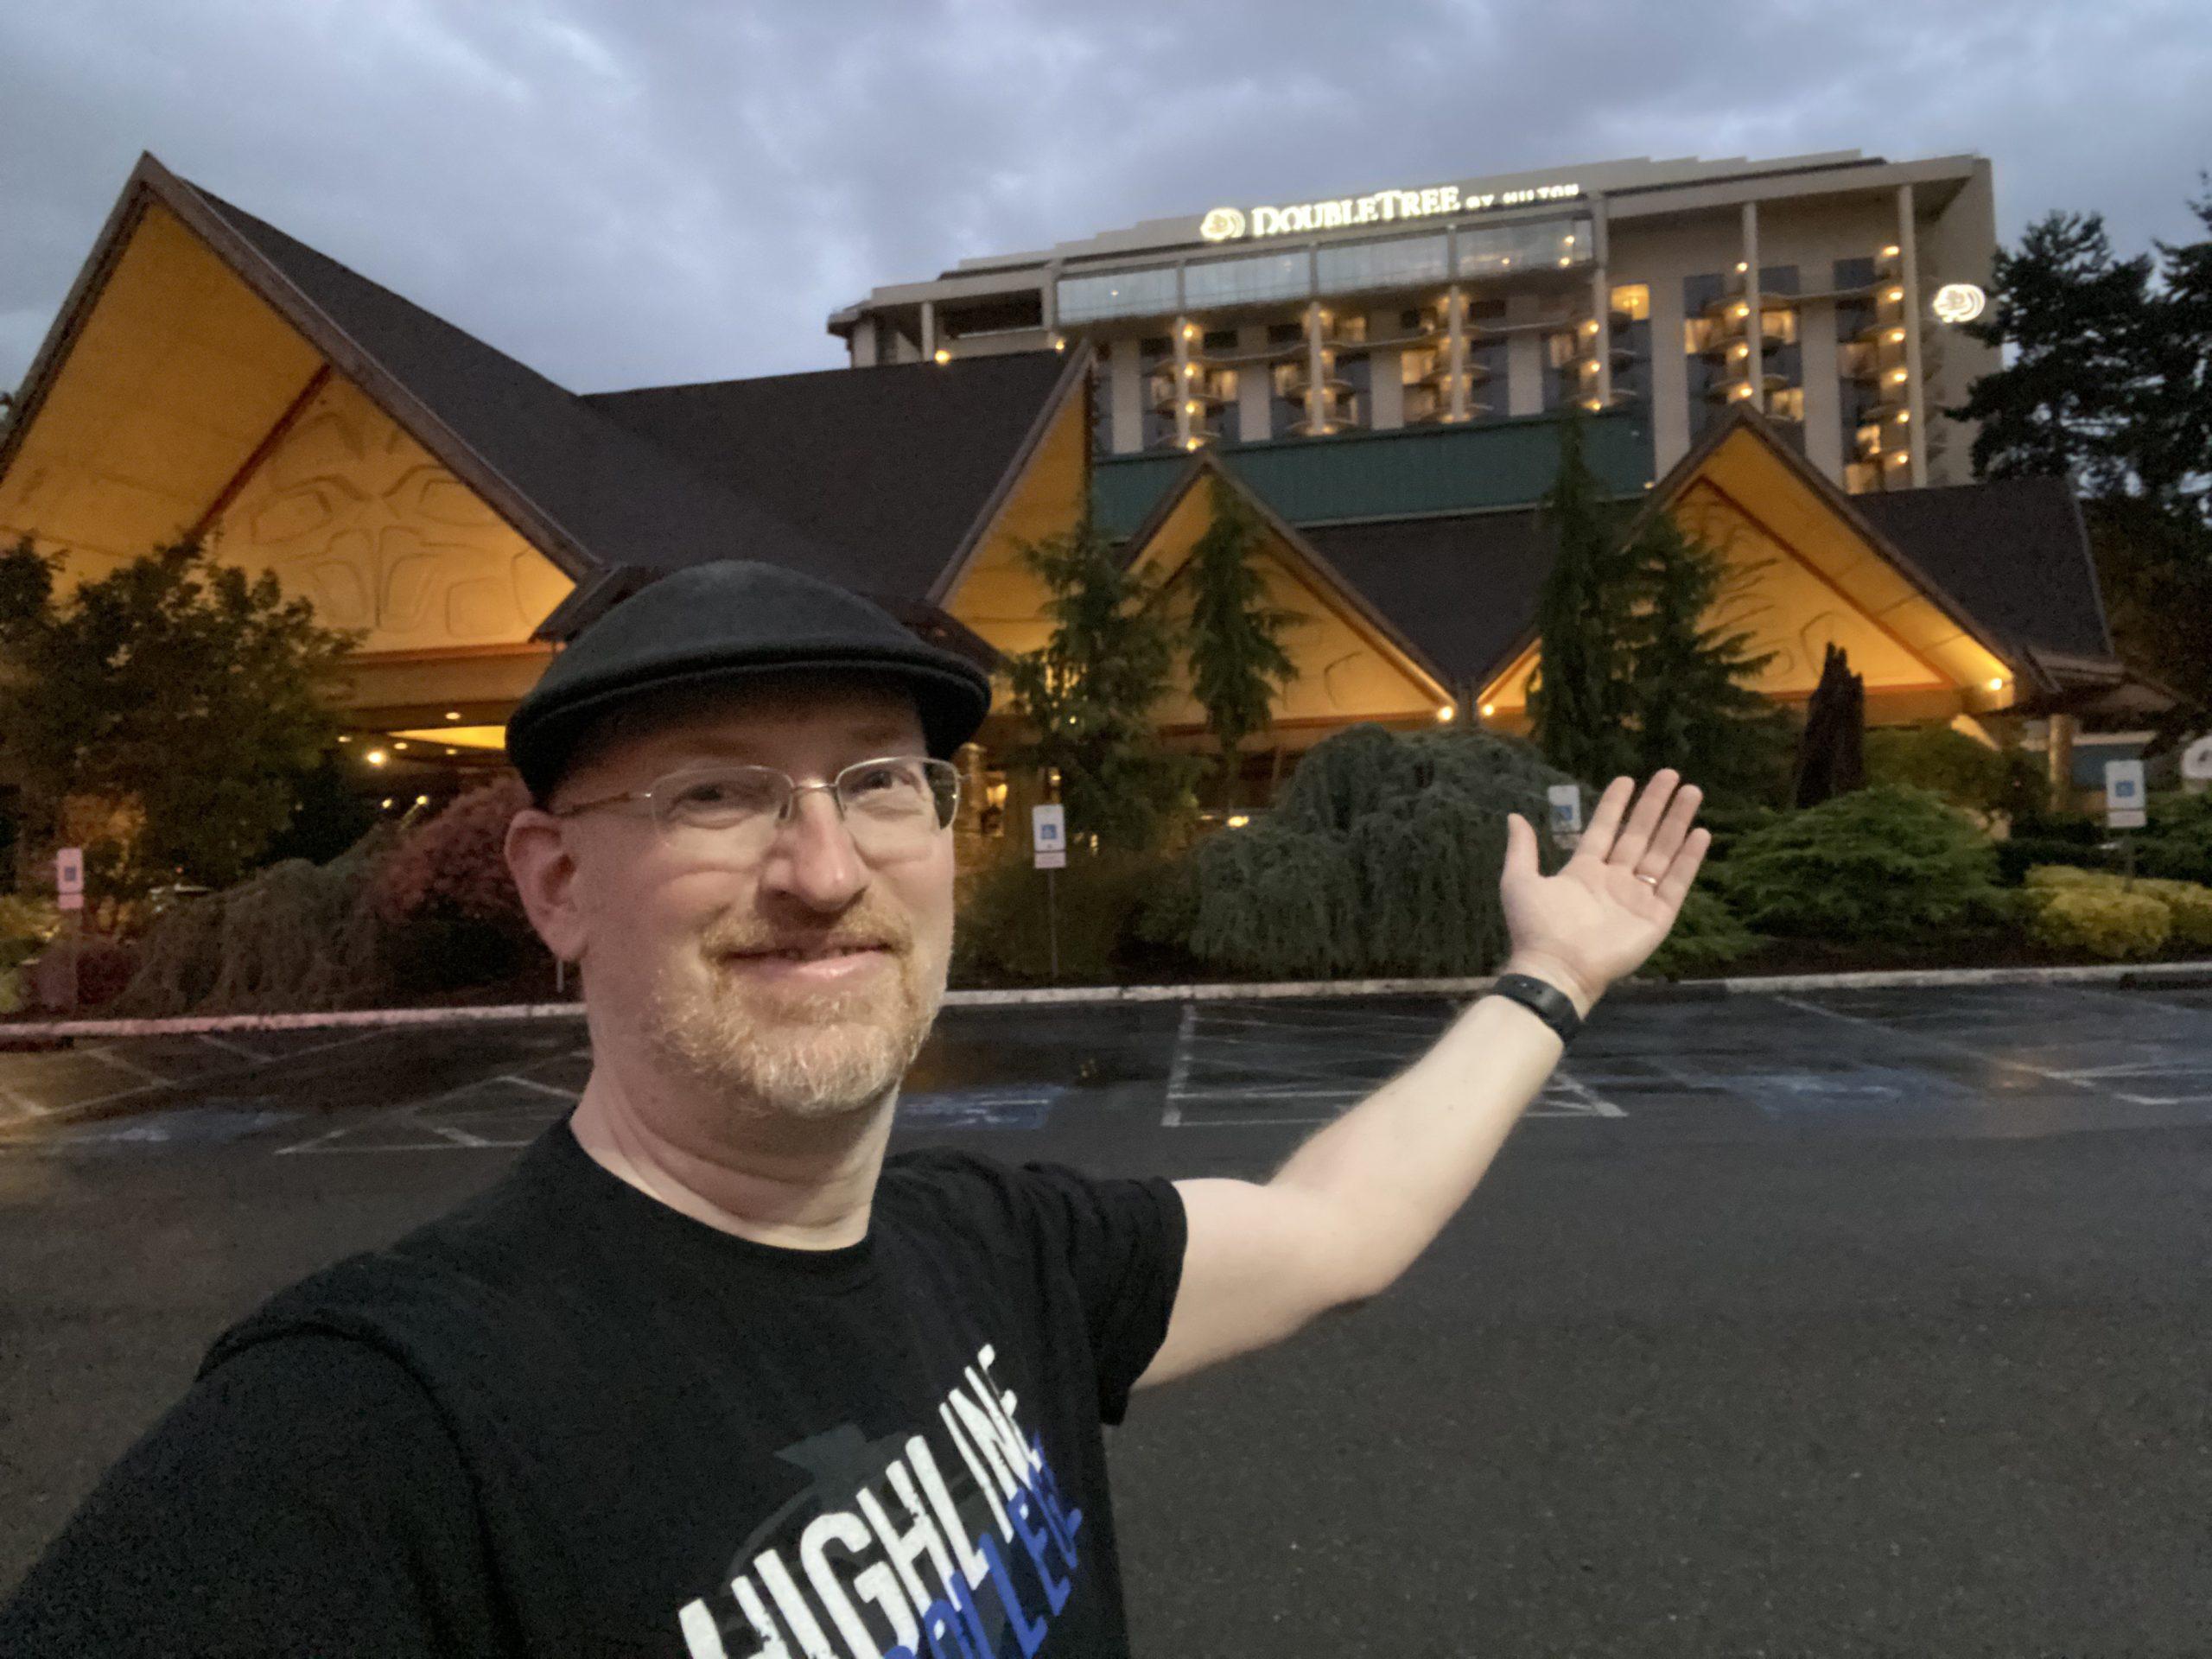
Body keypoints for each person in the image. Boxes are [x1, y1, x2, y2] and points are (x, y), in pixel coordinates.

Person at [0, 560, 1708, 1656]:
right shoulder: (380, 1429)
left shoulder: (999, 1256)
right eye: (715, 794)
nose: (822, 871)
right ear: (555, 881)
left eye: (878, 783)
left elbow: (1342, 1231)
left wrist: (1546, 977)